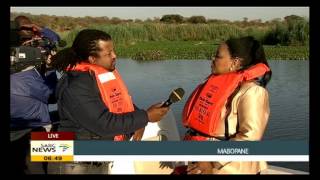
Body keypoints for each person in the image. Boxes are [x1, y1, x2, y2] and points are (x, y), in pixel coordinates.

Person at [47, 29, 169, 174]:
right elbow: (103, 124)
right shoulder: (75, 86)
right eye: (108, 54)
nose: (114, 56)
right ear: (92, 59)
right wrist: (145, 117)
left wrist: (138, 119)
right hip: (74, 164)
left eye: (113, 51)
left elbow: (119, 103)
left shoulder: (98, 77)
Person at [180, 36, 272, 174]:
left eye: (217, 56)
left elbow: (249, 138)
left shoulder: (253, 92)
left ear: (235, 63)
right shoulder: (214, 85)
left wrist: (211, 162)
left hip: (228, 168)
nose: (212, 59)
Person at [10, 18, 60, 174]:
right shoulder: (26, 75)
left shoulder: (20, 67)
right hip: (31, 130)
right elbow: (53, 96)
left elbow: (55, 40)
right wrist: (51, 69)